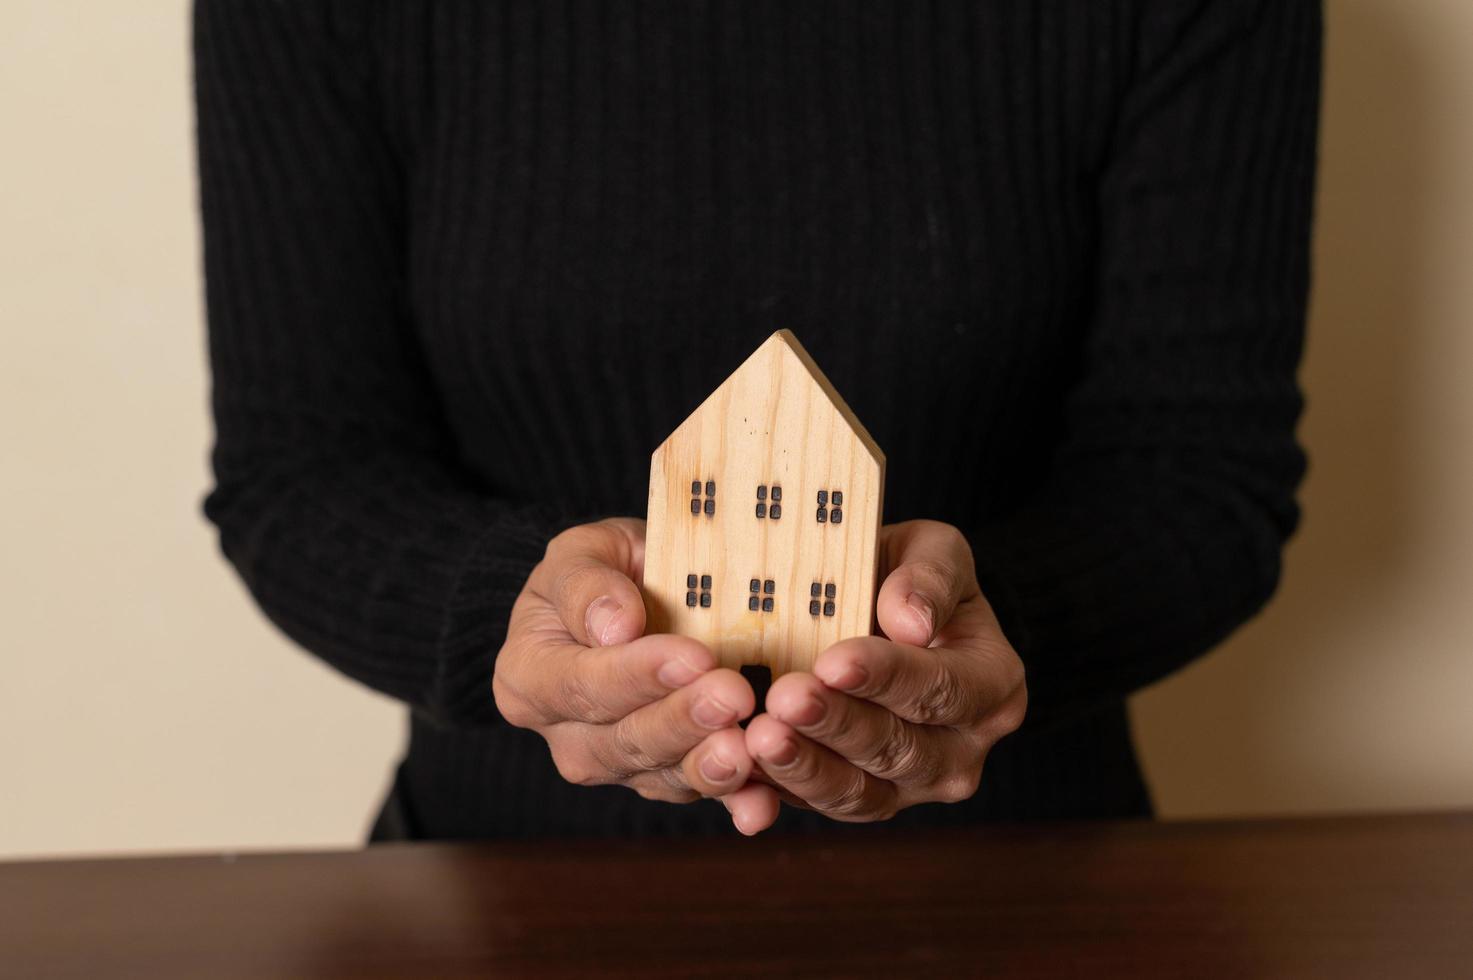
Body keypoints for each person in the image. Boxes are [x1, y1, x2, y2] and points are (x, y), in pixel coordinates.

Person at [193, 0, 1322, 840]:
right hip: (497, 888)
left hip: (1026, 882)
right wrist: (511, 613)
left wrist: (972, 629)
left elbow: (1202, 474)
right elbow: (300, 472)